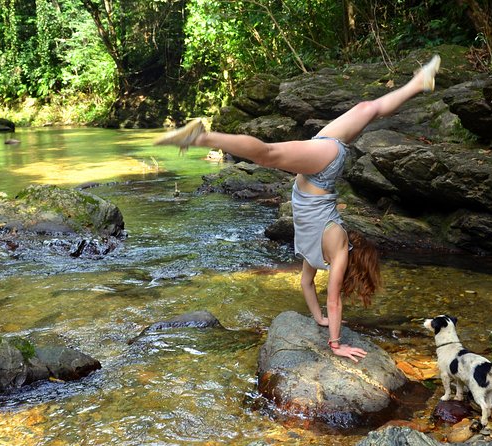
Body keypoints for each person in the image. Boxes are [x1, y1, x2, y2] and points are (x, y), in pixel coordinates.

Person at [154, 55, 441, 362]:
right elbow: (319, 292)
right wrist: (330, 332)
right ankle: (418, 83)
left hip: (323, 166)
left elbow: (325, 296)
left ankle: (202, 137)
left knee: (277, 150)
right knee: (359, 113)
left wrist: (327, 329)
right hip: (320, 166)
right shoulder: (320, 254)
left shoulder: (337, 250)